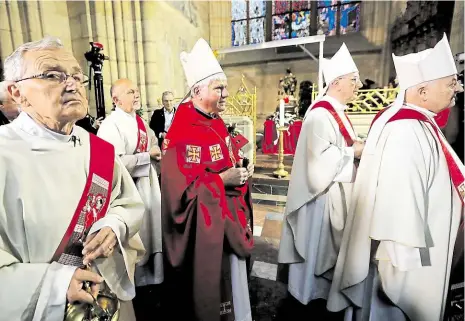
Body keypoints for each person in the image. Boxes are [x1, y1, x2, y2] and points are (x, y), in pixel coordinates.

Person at [0, 36, 145, 320]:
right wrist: (53, 285)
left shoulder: (99, 150)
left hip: (106, 297)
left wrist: (114, 227)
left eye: (77, 76)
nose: (72, 84)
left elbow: (126, 203)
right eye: (52, 75)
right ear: (17, 93)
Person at [326, 34, 464, 321]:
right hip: (408, 264)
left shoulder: (417, 121)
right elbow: (400, 210)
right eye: (451, 82)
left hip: (421, 252)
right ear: (423, 90)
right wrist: (404, 282)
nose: (458, 88)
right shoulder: (406, 130)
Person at [161, 38, 255, 321]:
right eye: (219, 88)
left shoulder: (213, 120)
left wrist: (240, 170)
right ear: (198, 90)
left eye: (224, 87)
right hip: (209, 229)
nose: (227, 94)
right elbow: (179, 196)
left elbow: (222, 159)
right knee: (216, 289)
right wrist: (222, 181)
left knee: (235, 289)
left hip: (230, 218)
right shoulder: (181, 132)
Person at [278, 43, 364, 308]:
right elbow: (317, 165)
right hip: (320, 200)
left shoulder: (335, 111)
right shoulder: (319, 114)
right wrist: (354, 152)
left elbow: (338, 147)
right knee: (314, 255)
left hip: (333, 194)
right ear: (337, 82)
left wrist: (353, 147)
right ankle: (306, 299)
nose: (358, 86)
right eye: (354, 80)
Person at [98, 78, 164, 289]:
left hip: (149, 187)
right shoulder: (110, 125)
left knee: (152, 233)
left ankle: (154, 279)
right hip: (128, 194)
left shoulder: (140, 122)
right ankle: (134, 284)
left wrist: (156, 153)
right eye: (130, 92)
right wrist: (146, 156)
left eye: (136, 90)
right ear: (116, 99)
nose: (136, 94)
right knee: (137, 237)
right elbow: (113, 164)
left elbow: (153, 143)